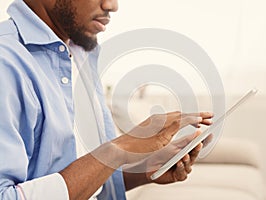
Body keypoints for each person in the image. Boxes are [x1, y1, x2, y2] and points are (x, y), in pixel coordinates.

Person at [0, 0, 214, 199]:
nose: (111, 5)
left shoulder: (80, 53)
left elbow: (76, 179)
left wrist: (144, 170)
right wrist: (117, 150)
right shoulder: (5, 62)